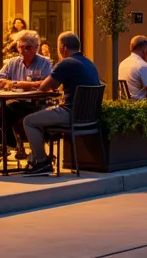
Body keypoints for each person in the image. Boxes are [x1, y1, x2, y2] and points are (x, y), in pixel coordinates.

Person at [18, 32, 100, 175]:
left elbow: (44, 87)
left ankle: (41, 162)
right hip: (90, 117)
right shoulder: (89, 62)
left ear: (63, 47)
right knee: (42, 115)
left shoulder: (66, 62)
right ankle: (36, 158)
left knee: (29, 121)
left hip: (70, 113)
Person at [0, 30, 53, 166]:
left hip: (37, 103)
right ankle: (10, 143)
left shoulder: (45, 63)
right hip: (17, 102)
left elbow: (46, 84)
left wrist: (19, 84)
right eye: (20, 47)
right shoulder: (13, 62)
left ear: (36, 48)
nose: (23, 51)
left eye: (27, 47)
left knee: (6, 113)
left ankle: (9, 145)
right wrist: (1, 82)